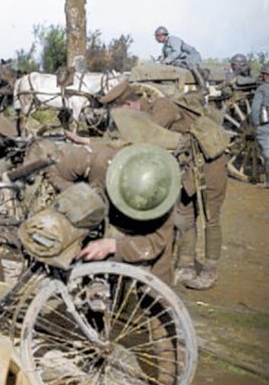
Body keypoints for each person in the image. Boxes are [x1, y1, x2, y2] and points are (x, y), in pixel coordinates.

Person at [98, 79, 228, 290]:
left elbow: (147, 137)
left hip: (210, 165)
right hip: (188, 167)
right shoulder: (148, 113)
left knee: (210, 217)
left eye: (121, 111)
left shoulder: (162, 107)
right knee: (184, 216)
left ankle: (210, 270)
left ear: (129, 104)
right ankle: (185, 265)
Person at [46, 141, 179, 285]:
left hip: (142, 231)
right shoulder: (96, 161)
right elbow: (54, 172)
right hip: (98, 217)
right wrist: (79, 195)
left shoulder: (162, 194)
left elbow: (155, 242)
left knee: (156, 287)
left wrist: (113, 245)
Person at [251, 63, 269, 188]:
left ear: (265, 75)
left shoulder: (262, 88)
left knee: (267, 150)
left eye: (262, 74)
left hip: (265, 122)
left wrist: (255, 124)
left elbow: (255, 108)